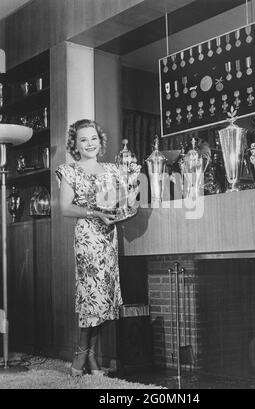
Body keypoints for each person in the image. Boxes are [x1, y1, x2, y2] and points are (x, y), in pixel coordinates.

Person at [55, 119, 138, 376]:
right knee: (91, 297)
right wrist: (95, 213)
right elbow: (66, 208)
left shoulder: (114, 169)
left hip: (109, 237)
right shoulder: (69, 170)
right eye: (83, 139)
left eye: (93, 138)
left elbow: (126, 198)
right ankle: (79, 358)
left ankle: (90, 357)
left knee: (106, 299)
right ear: (75, 144)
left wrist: (133, 182)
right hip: (88, 237)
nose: (90, 143)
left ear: (99, 141)